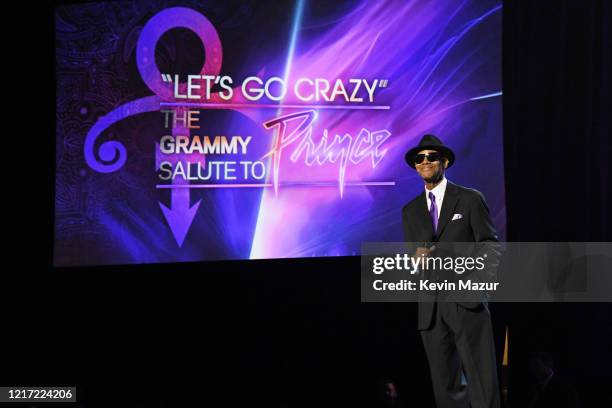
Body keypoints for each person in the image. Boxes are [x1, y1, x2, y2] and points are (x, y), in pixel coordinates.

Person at [402, 134, 501, 408]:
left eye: (431, 156)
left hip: (466, 300)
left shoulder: (469, 199)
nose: (425, 162)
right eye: (420, 159)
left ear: (444, 161)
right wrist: (414, 260)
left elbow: (490, 246)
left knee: (482, 379)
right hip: (431, 308)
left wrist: (479, 286)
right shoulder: (409, 211)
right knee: (445, 386)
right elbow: (412, 259)